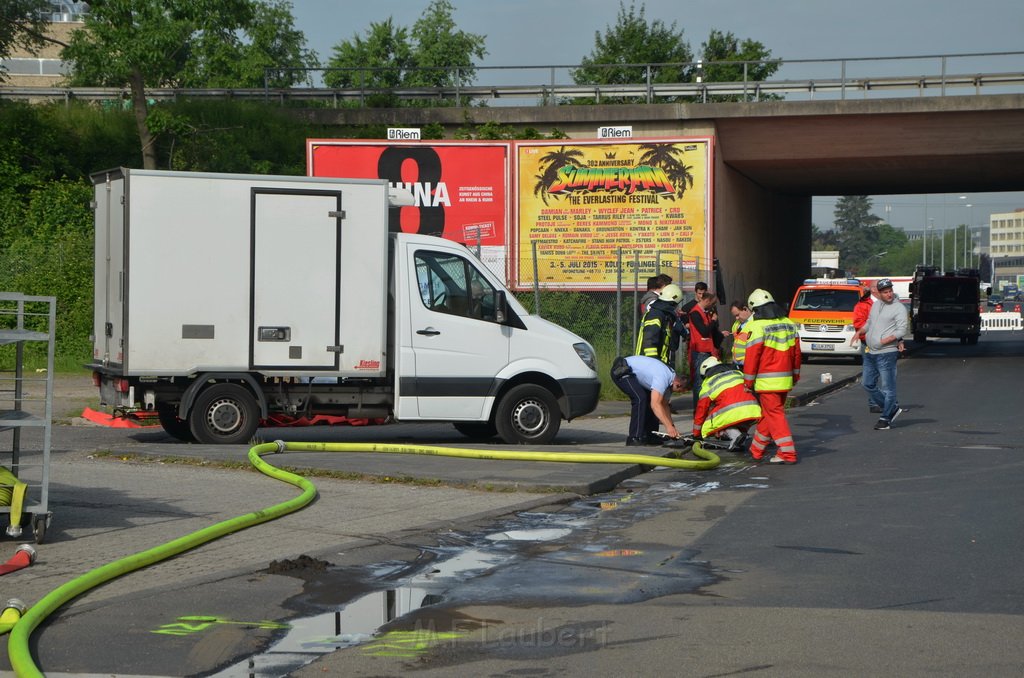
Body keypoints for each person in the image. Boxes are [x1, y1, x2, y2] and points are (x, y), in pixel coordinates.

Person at [743, 288, 802, 464]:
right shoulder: (789, 323)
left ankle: (788, 453)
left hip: (766, 381)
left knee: (774, 415)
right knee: (771, 415)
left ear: (755, 310)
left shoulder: (756, 326)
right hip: (786, 379)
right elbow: (797, 353)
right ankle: (756, 450)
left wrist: (748, 381)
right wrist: (796, 375)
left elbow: (752, 357)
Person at [610, 354, 686, 446]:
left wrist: (673, 428)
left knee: (652, 399)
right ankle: (634, 437)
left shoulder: (671, 381)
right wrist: (668, 427)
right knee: (640, 398)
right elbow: (655, 405)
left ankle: (650, 435)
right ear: (678, 384)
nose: (678, 393)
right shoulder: (663, 377)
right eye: (680, 391)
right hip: (621, 369)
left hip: (631, 373)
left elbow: (664, 405)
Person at [863, 278, 907, 430]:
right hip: (871, 351)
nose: (889, 294)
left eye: (890, 291)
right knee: (867, 383)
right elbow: (869, 322)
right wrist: (860, 332)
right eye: (885, 292)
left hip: (887, 352)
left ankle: (885, 418)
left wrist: (887, 340)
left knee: (888, 387)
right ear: (879, 294)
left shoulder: (899, 308)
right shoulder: (875, 305)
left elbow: (901, 329)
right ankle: (891, 408)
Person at [691, 356, 762, 450]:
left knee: (710, 421)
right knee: (734, 418)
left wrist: (696, 434)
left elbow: (701, 410)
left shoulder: (708, 384)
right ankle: (740, 435)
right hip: (753, 409)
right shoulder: (737, 373)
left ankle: (735, 436)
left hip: (733, 413)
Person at [687, 291, 727, 408]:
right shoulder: (695, 313)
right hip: (700, 351)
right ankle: (698, 409)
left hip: (707, 350)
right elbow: (704, 331)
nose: (713, 306)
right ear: (707, 301)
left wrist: (720, 334)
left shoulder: (705, 313)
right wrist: (714, 321)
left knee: (707, 381)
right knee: (699, 382)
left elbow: (710, 332)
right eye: (713, 303)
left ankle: (705, 407)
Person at [636, 282, 686, 367]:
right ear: (673, 302)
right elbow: (649, 341)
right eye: (676, 304)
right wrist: (654, 364)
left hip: (659, 363)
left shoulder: (665, 315)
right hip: (648, 364)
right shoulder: (655, 315)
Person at [851, 282, 880, 412]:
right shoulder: (863, 305)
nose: (888, 292)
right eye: (884, 289)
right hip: (869, 344)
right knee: (871, 374)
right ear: (874, 290)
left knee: (885, 374)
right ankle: (875, 403)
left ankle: (884, 402)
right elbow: (859, 325)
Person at [727, 301, 752, 369]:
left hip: (749, 364)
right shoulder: (736, 324)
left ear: (745, 309)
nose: (736, 318)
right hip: (736, 363)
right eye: (735, 316)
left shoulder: (755, 323)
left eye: (737, 315)